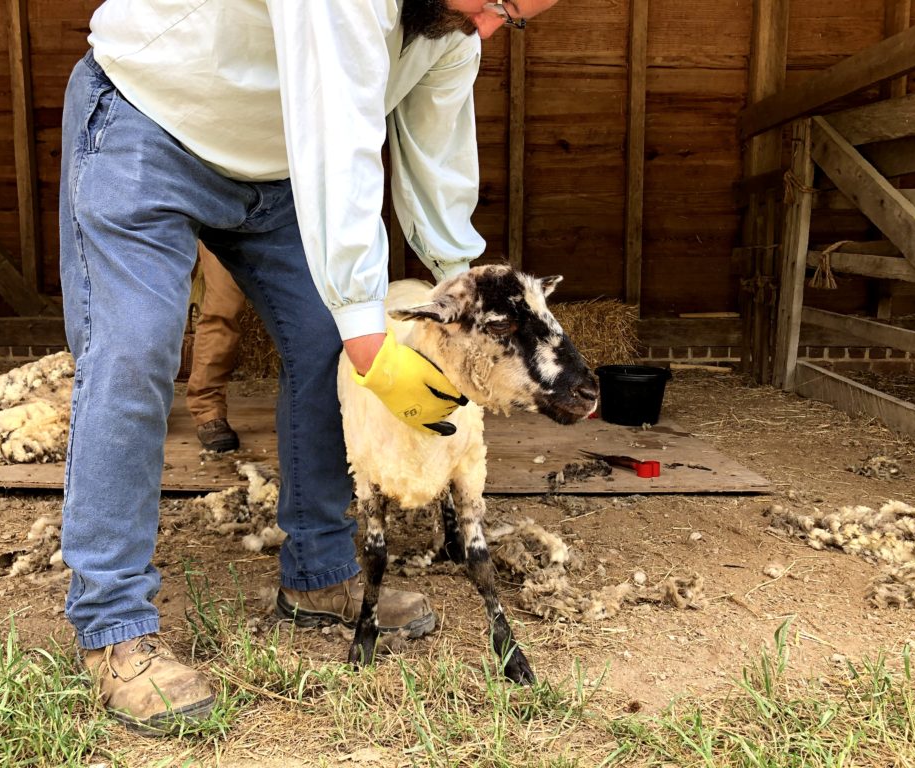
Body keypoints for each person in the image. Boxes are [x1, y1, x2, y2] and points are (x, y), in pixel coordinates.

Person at [59, 0, 561, 733]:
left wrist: (466, 301)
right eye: (498, 1)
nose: (489, 26)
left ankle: (319, 577)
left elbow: (436, 162)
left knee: (329, 349)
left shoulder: (453, 29)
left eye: (514, 17)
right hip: (150, 119)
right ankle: (111, 627)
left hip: (282, 173)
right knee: (134, 352)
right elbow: (340, 134)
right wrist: (366, 327)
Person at [186, 243, 247, 453]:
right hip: (178, 213)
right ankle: (207, 409)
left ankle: (207, 409)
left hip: (229, 216)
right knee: (156, 305)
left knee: (224, 306)